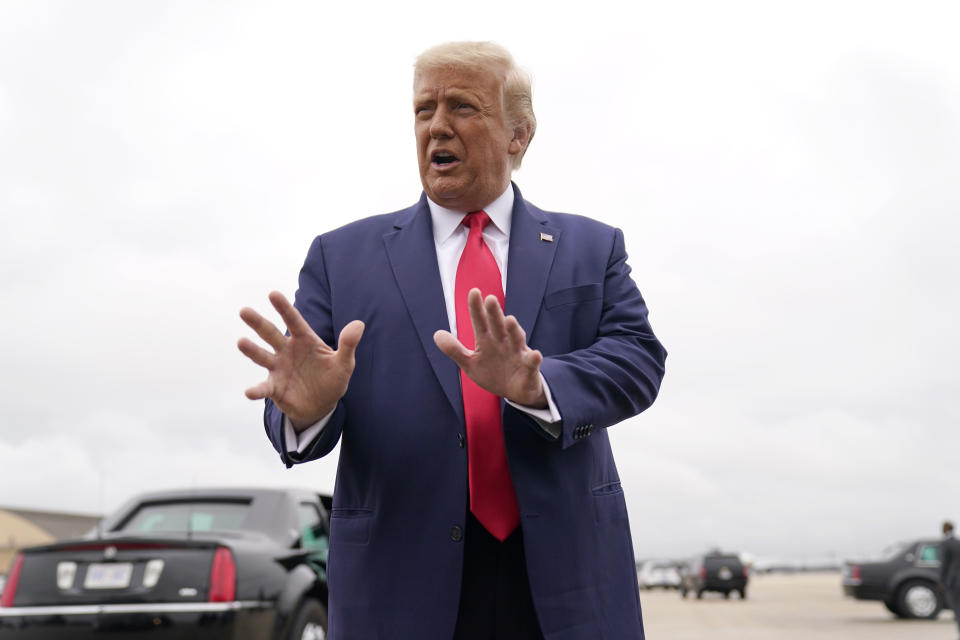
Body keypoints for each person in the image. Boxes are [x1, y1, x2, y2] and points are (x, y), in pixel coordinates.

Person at [238, 41, 666, 640]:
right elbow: (300, 392)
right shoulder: (340, 258)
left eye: (462, 106)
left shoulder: (591, 248)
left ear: (519, 135)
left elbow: (638, 359)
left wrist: (540, 386)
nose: (437, 125)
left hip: (564, 584)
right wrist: (308, 411)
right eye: (423, 109)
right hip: (397, 587)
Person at [941, 521, 960, 638]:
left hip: (953, 580)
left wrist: (941, 581)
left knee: (957, 608)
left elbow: (944, 564)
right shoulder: (958, 542)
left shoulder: (945, 543)